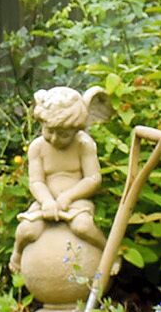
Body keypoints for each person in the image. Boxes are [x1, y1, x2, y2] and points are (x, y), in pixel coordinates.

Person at [12, 85, 110, 273]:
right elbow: (36, 181)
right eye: (49, 131)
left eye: (64, 134)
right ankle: (17, 254)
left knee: (83, 227)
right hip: (45, 202)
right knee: (26, 230)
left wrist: (67, 197)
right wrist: (47, 201)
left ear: (76, 130)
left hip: (75, 202)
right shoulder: (37, 147)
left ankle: (108, 252)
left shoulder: (83, 144)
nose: (55, 139)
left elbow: (93, 178)